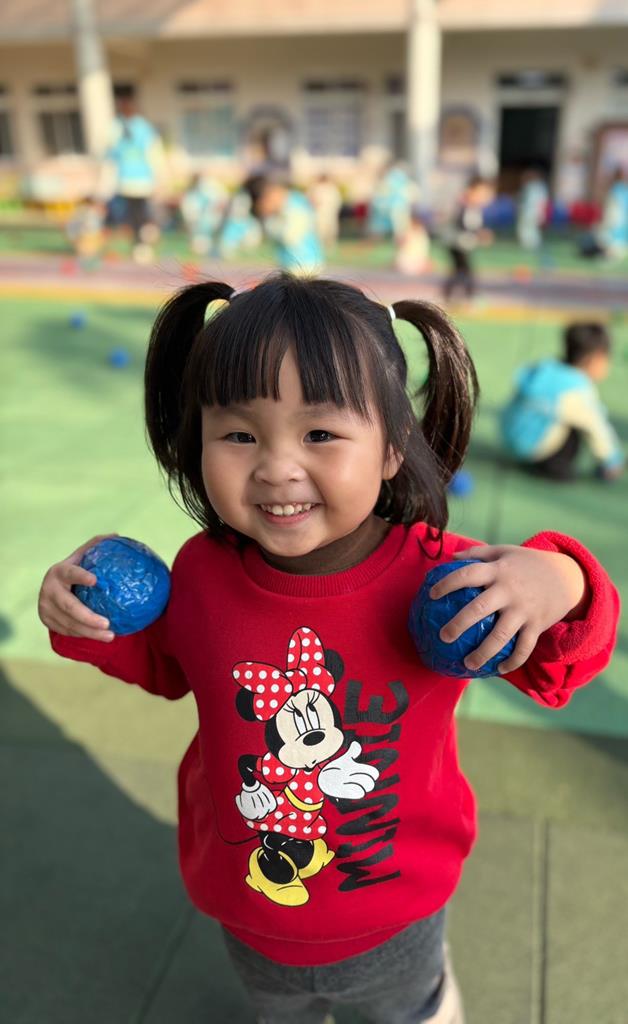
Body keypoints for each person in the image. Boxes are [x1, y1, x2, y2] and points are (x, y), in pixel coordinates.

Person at [38, 275, 619, 1024]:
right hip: (249, 906)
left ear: (391, 447)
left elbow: (562, 662)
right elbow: (166, 664)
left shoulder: (445, 578)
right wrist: (81, 612)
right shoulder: (202, 572)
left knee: (409, 1012)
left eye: (319, 434)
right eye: (239, 434)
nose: (276, 466)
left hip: (399, 916)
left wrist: (563, 579)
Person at [500, 321, 624, 482]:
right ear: (594, 359)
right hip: (537, 451)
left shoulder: (546, 367)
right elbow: (595, 427)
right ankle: (555, 468)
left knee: (563, 414)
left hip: (510, 440)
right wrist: (612, 461)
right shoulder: (574, 388)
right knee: (580, 424)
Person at [104, 92, 164, 263]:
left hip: (133, 180)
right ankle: (142, 242)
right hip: (135, 180)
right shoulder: (133, 127)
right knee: (139, 213)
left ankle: (141, 243)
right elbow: (154, 154)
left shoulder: (125, 127)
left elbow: (110, 156)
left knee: (136, 214)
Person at [246, 175, 324, 273]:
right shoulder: (283, 208)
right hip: (288, 264)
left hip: (305, 265)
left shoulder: (295, 205)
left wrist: (270, 223)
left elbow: (290, 236)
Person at [441, 176, 494, 302]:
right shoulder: (464, 204)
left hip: (462, 243)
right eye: (481, 193)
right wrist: (479, 234)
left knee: (461, 270)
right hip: (456, 243)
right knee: (465, 270)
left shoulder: (472, 206)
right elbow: (463, 224)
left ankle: (452, 294)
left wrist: (479, 233)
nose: (483, 197)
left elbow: (473, 224)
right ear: (471, 191)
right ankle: (468, 295)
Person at [516, 168, 549, 252]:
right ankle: (531, 245)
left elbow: (542, 202)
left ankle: (532, 246)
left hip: (532, 212)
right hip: (532, 212)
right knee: (528, 230)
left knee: (529, 230)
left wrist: (542, 214)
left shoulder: (535, 187)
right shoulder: (537, 187)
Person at [308, 174, 343, 249]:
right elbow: (310, 199)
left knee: (330, 231)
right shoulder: (315, 187)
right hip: (319, 214)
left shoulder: (332, 188)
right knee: (319, 231)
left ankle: (330, 246)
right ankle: (318, 246)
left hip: (330, 213)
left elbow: (337, 201)